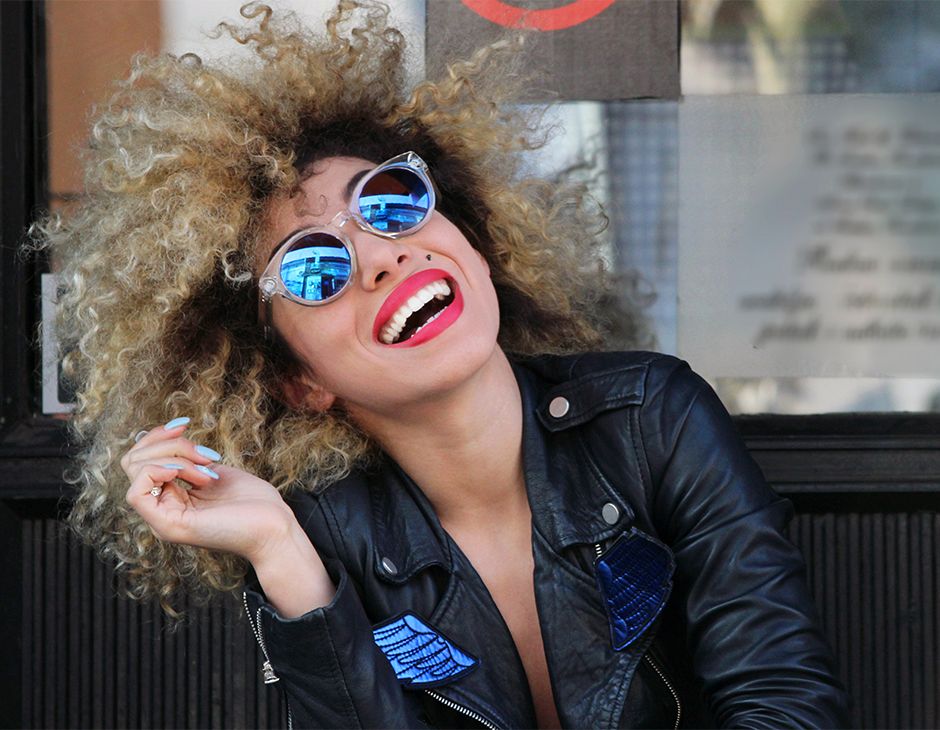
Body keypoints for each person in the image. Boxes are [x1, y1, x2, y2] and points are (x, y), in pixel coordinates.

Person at [35, 1, 848, 727]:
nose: (380, 257)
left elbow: (785, 706)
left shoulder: (653, 422)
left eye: (391, 202)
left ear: (475, 242)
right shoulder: (324, 536)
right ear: (298, 380)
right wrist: (280, 551)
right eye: (314, 267)